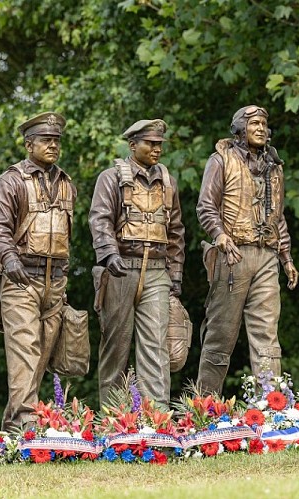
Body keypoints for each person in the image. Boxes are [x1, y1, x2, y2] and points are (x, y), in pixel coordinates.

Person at [196, 105, 299, 396]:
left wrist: (286, 258)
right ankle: (205, 407)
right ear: (240, 129)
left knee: (267, 335)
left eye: (264, 124)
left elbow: (278, 216)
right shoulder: (221, 160)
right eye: (254, 123)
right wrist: (219, 234)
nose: (261, 128)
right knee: (221, 334)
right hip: (233, 255)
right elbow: (205, 206)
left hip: (267, 256)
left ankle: (271, 405)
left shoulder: (274, 166)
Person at [0, 112, 76, 431]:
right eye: (46, 140)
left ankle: (14, 424)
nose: (53, 146)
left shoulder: (65, 183)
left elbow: (67, 233)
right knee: (25, 350)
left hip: (55, 281)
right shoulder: (11, 181)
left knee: (41, 356)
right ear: (29, 145)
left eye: (56, 141)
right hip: (21, 278)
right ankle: (27, 423)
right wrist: (10, 260)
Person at [89, 119, 185, 407]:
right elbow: (100, 219)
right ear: (132, 145)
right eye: (150, 143)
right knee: (115, 347)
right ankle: (114, 419)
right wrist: (110, 254)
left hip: (157, 271)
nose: (157, 149)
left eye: (159, 144)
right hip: (121, 270)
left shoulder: (168, 182)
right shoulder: (110, 178)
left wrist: (175, 274)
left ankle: (157, 419)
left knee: (157, 348)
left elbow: (176, 231)